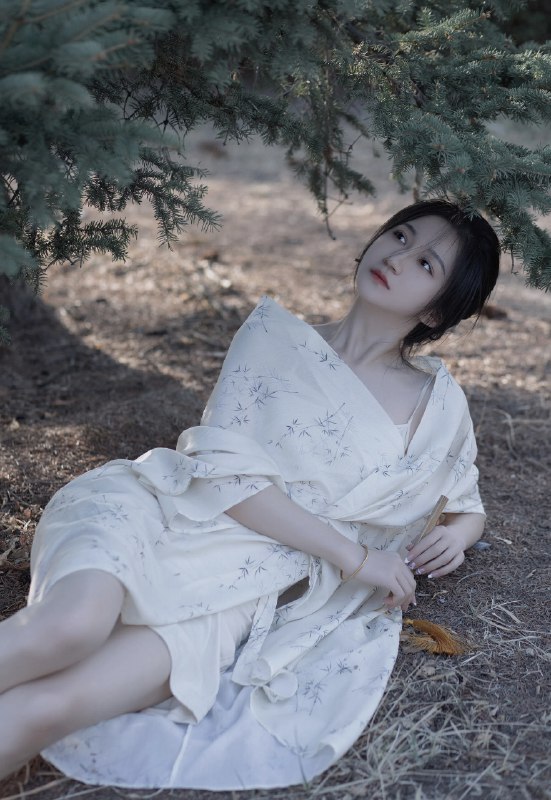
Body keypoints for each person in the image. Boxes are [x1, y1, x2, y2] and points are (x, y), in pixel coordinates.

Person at [0, 200, 500, 789]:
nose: (396, 256)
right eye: (400, 236)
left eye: (425, 263)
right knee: (69, 628)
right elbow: (226, 480)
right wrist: (358, 558)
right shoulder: (272, 340)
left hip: (243, 592)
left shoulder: (437, 401)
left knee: (47, 707)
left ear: (438, 309)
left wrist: (457, 537)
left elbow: (465, 501)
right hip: (160, 514)